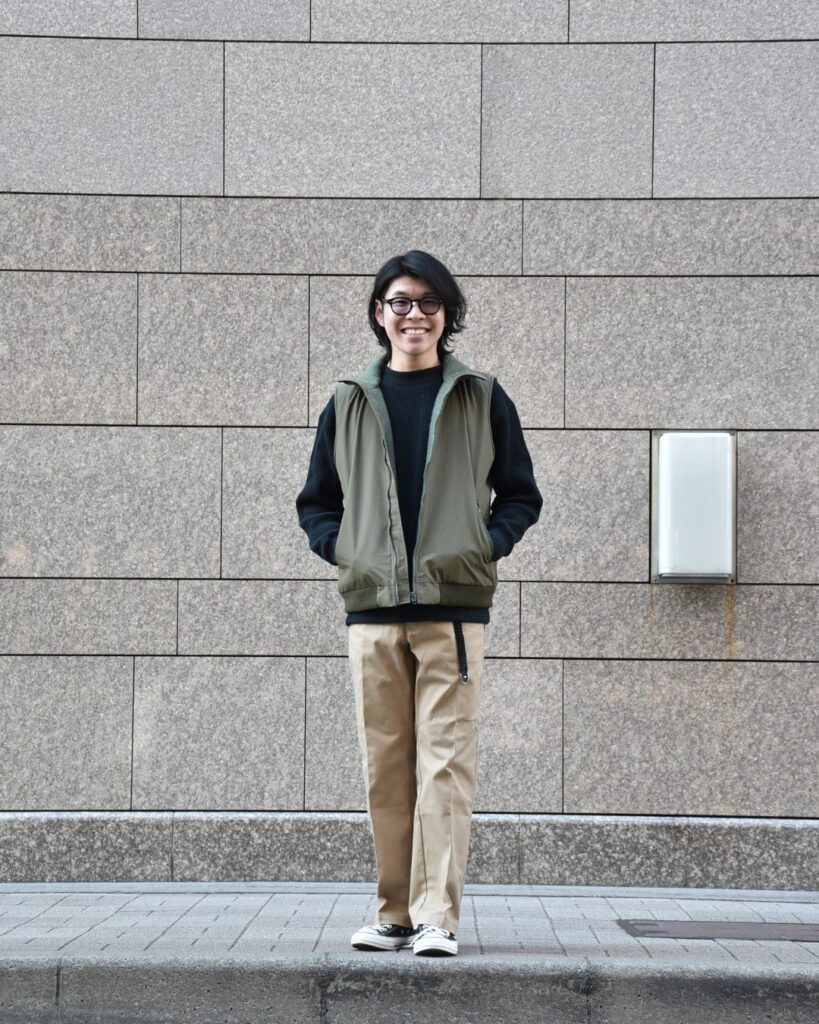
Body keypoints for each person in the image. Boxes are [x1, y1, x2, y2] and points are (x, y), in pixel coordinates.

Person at [296, 250, 542, 957]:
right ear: (380, 313)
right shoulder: (348, 400)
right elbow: (316, 501)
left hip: (450, 613)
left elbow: (520, 494)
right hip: (372, 612)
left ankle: (438, 917)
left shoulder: (480, 396)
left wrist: (481, 547)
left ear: (447, 315)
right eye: (400, 301)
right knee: (387, 768)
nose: (415, 315)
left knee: (445, 767)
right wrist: (348, 553)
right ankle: (395, 913)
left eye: (429, 303)